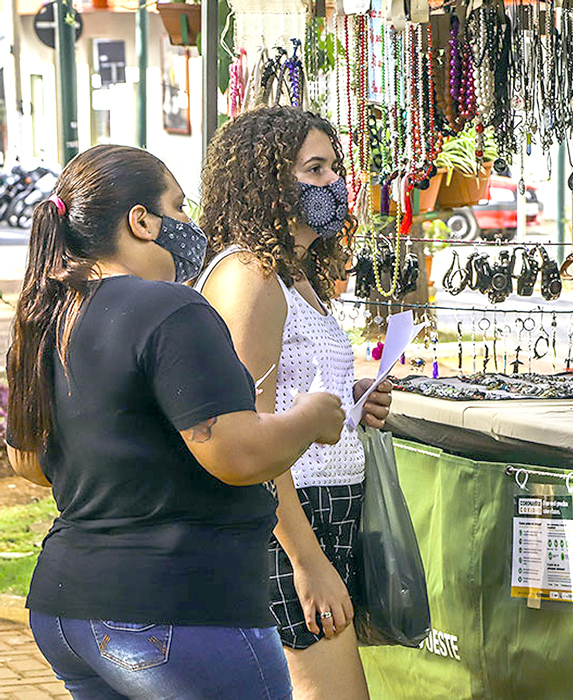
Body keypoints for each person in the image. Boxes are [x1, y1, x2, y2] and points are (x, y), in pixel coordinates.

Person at [5, 144, 348, 700]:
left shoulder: (45, 316)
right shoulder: (172, 310)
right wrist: (312, 417)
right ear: (141, 221)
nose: (191, 226)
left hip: (68, 610)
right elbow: (238, 456)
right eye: (179, 208)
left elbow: (31, 465)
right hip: (178, 609)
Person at [198, 106, 392, 700]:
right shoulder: (250, 277)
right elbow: (246, 434)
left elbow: (286, 396)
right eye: (315, 169)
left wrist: (351, 400)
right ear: (267, 180)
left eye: (334, 167)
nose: (334, 183)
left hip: (317, 513)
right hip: (288, 524)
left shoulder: (291, 273)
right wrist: (307, 564)